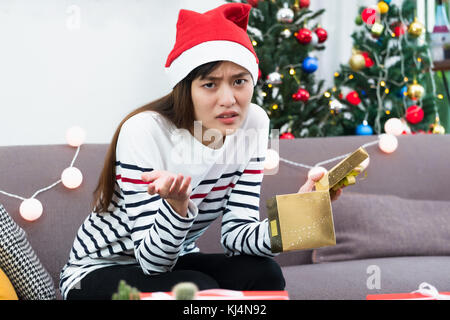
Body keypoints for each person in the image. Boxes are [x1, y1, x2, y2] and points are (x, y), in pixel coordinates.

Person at [60, 2, 343, 300]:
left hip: (175, 260)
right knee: (196, 288)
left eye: (239, 81)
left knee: (264, 272)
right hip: (97, 271)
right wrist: (177, 207)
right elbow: (152, 263)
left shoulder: (254, 123)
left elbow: (237, 235)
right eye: (210, 84)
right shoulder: (144, 131)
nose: (228, 99)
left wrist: (303, 212)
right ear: (186, 88)